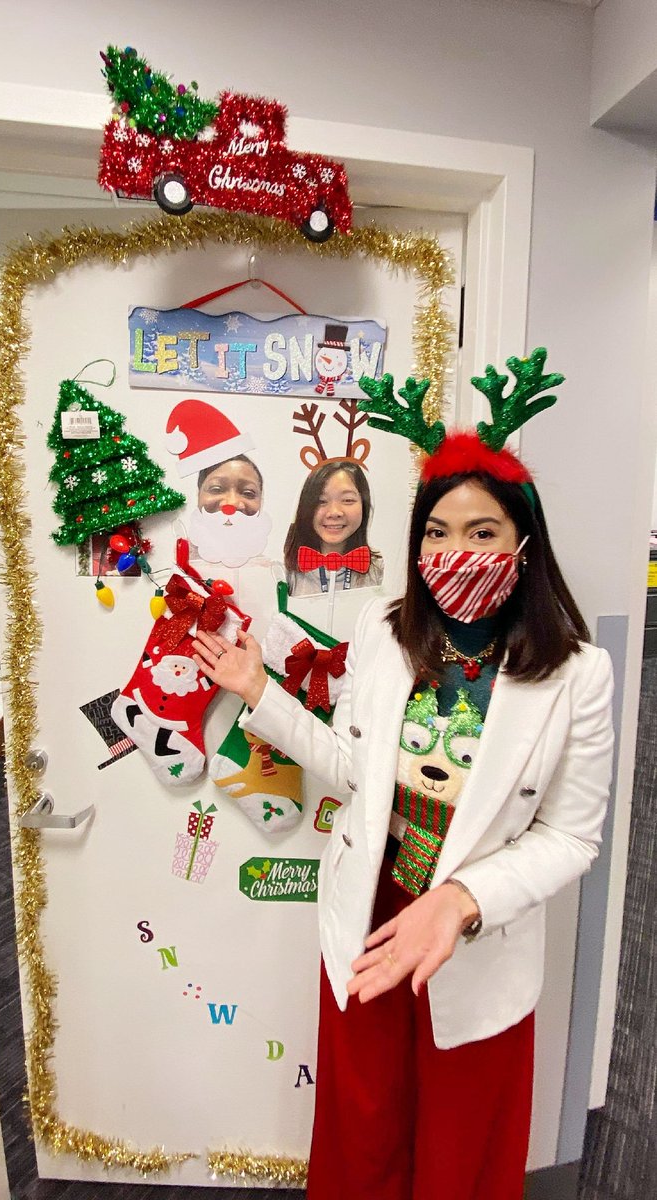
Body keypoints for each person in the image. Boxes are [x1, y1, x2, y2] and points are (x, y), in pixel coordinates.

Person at [192, 352, 614, 1200]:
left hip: (473, 931)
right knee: (365, 1127)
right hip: (370, 913)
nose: (454, 549)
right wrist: (258, 694)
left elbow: (571, 835)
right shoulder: (389, 637)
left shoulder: (577, 674)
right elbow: (356, 770)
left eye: (482, 532)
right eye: (436, 531)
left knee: (464, 1144)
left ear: (523, 547)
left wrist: (461, 905)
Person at [284, 458, 383, 596]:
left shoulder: (379, 570)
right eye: (321, 501)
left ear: (364, 506)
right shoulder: (285, 571)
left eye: (348, 500)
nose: (334, 512)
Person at [190, 454, 273, 568]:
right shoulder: (178, 564)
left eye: (248, 493)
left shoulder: (271, 571)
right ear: (198, 495)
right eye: (216, 489)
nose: (232, 503)